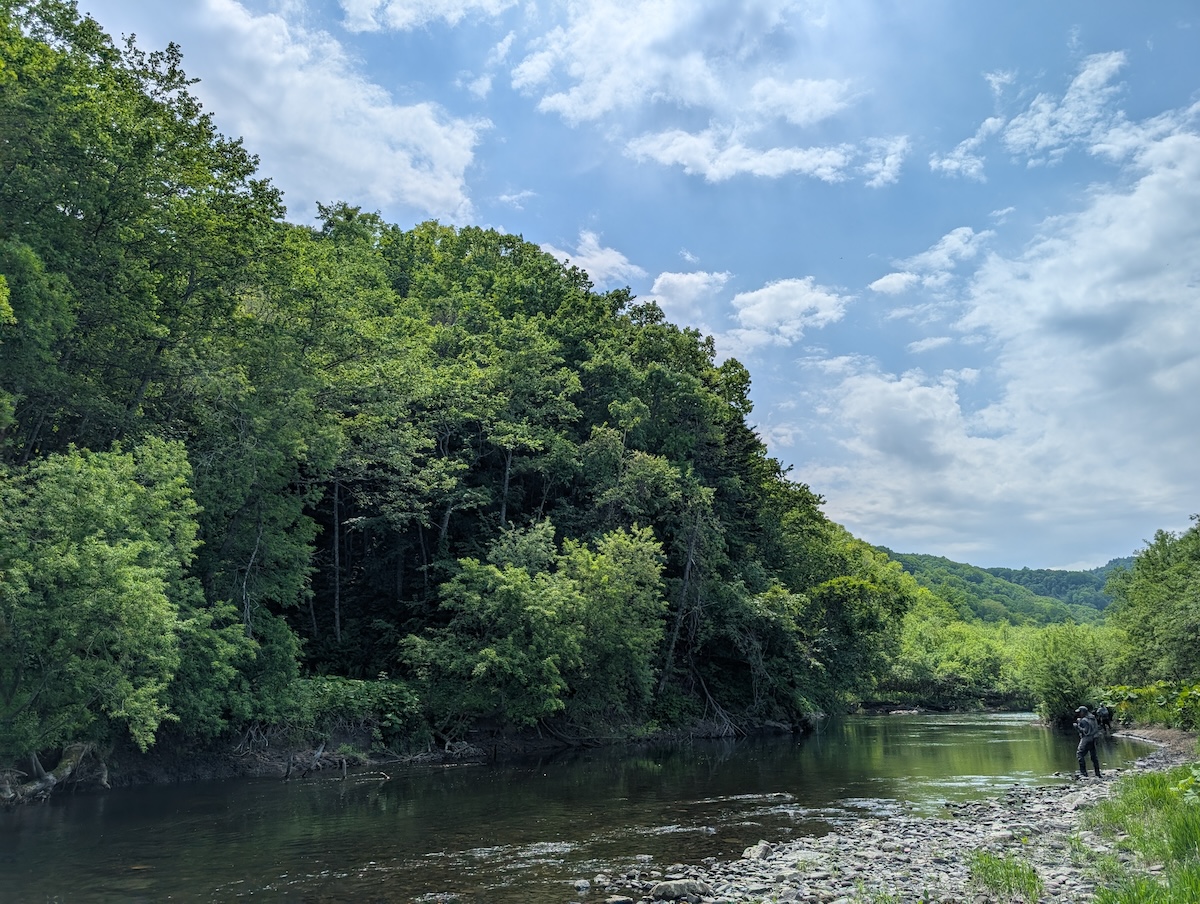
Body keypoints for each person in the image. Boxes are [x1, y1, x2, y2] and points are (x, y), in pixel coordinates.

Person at [1075, 705, 1102, 778]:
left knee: (1080, 754)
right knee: (1094, 757)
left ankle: (1083, 773)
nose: (1079, 714)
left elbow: (1085, 731)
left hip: (1086, 739)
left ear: (1083, 712)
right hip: (1094, 738)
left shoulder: (1084, 720)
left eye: (1080, 712)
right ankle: (1097, 773)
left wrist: (1077, 726)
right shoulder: (1093, 718)